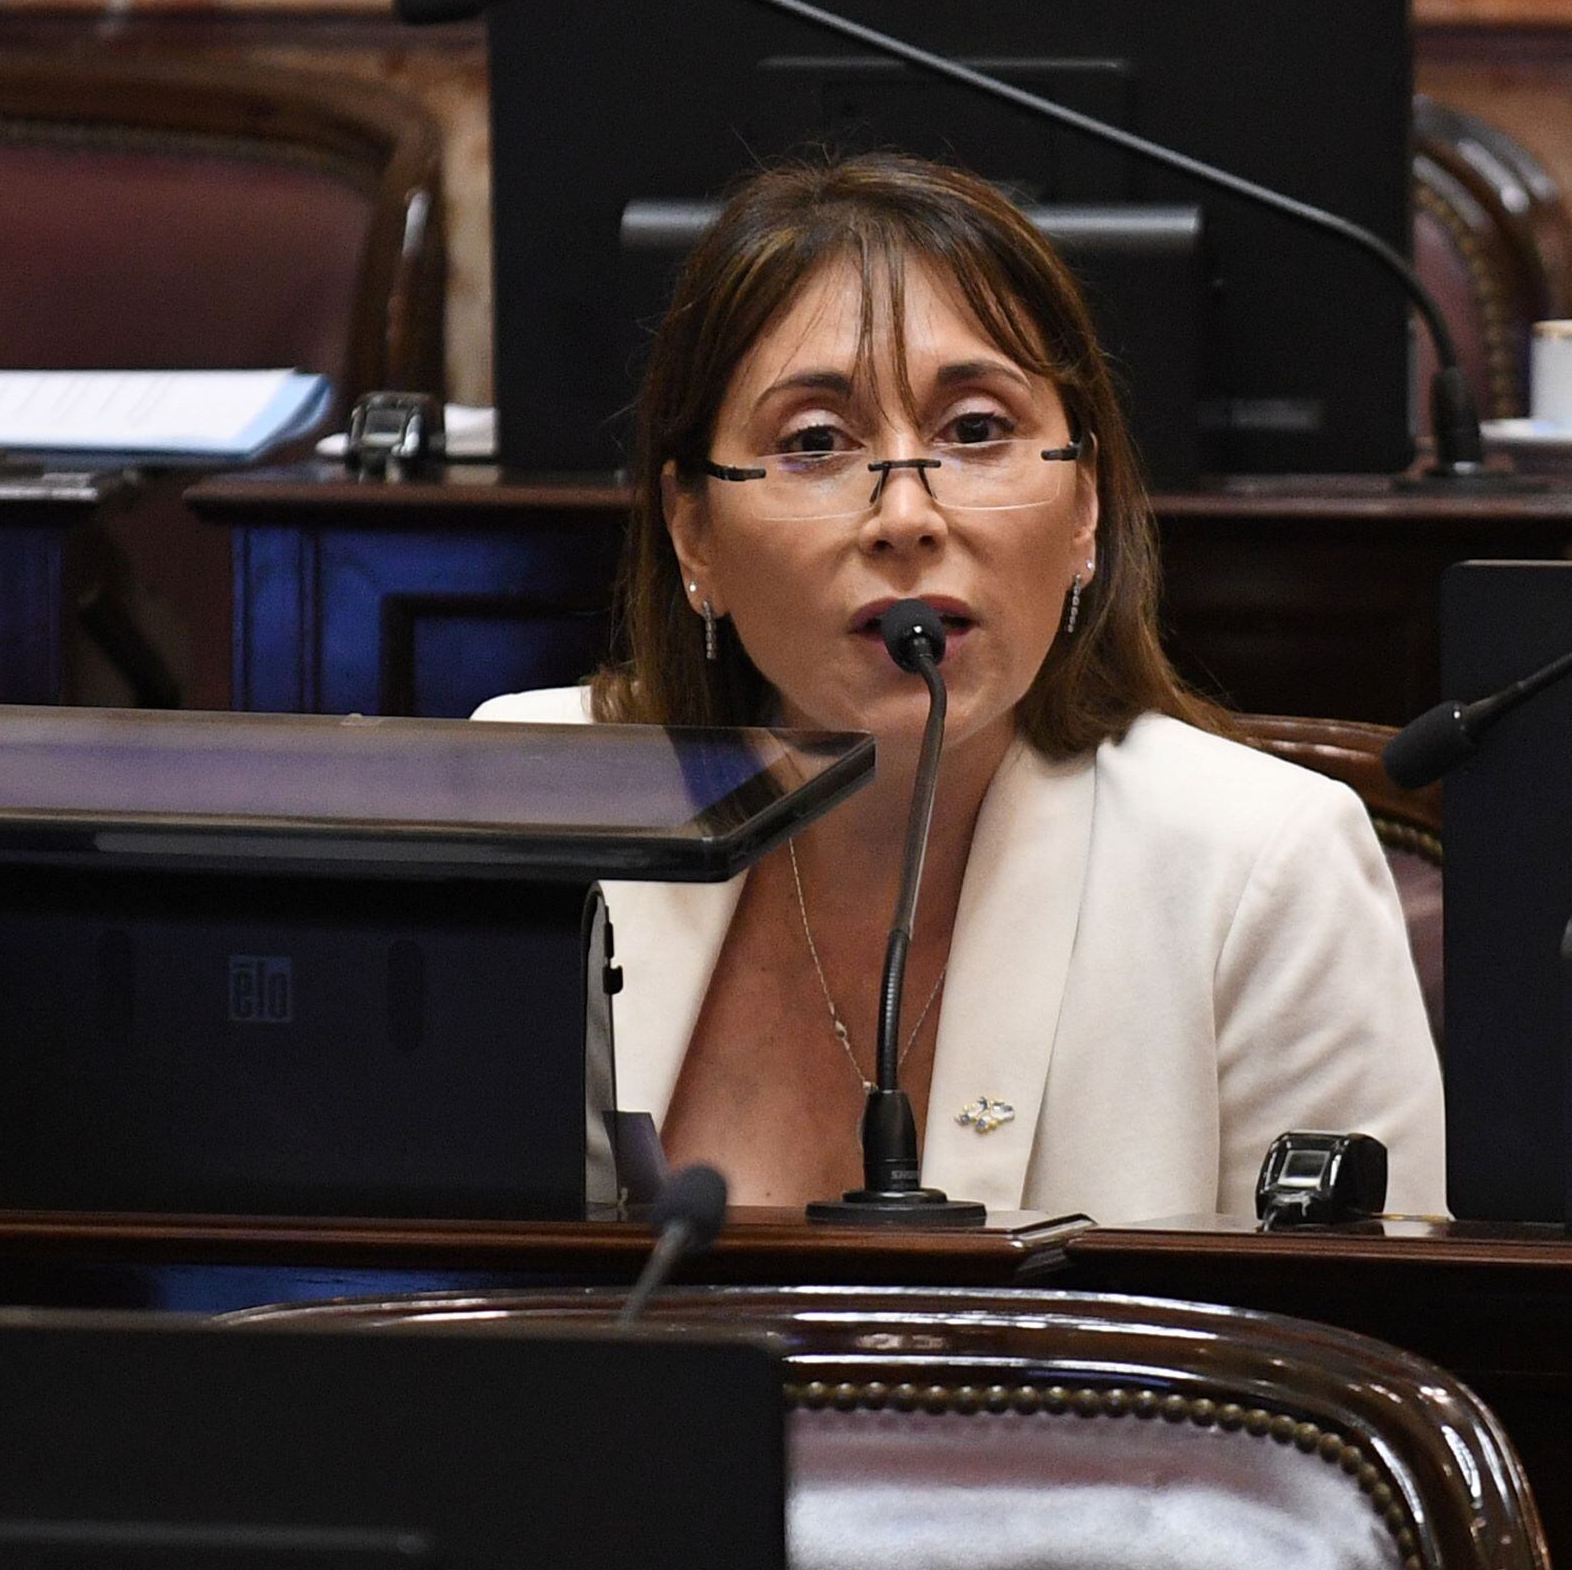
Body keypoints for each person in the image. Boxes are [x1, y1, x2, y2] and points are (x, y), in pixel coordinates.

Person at [475, 153, 1443, 1221]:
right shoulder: (538, 804)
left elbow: (1348, 1361)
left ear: (1086, 510)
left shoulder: (1258, 868)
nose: (905, 517)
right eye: (815, 444)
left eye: (976, 431)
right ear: (693, 531)